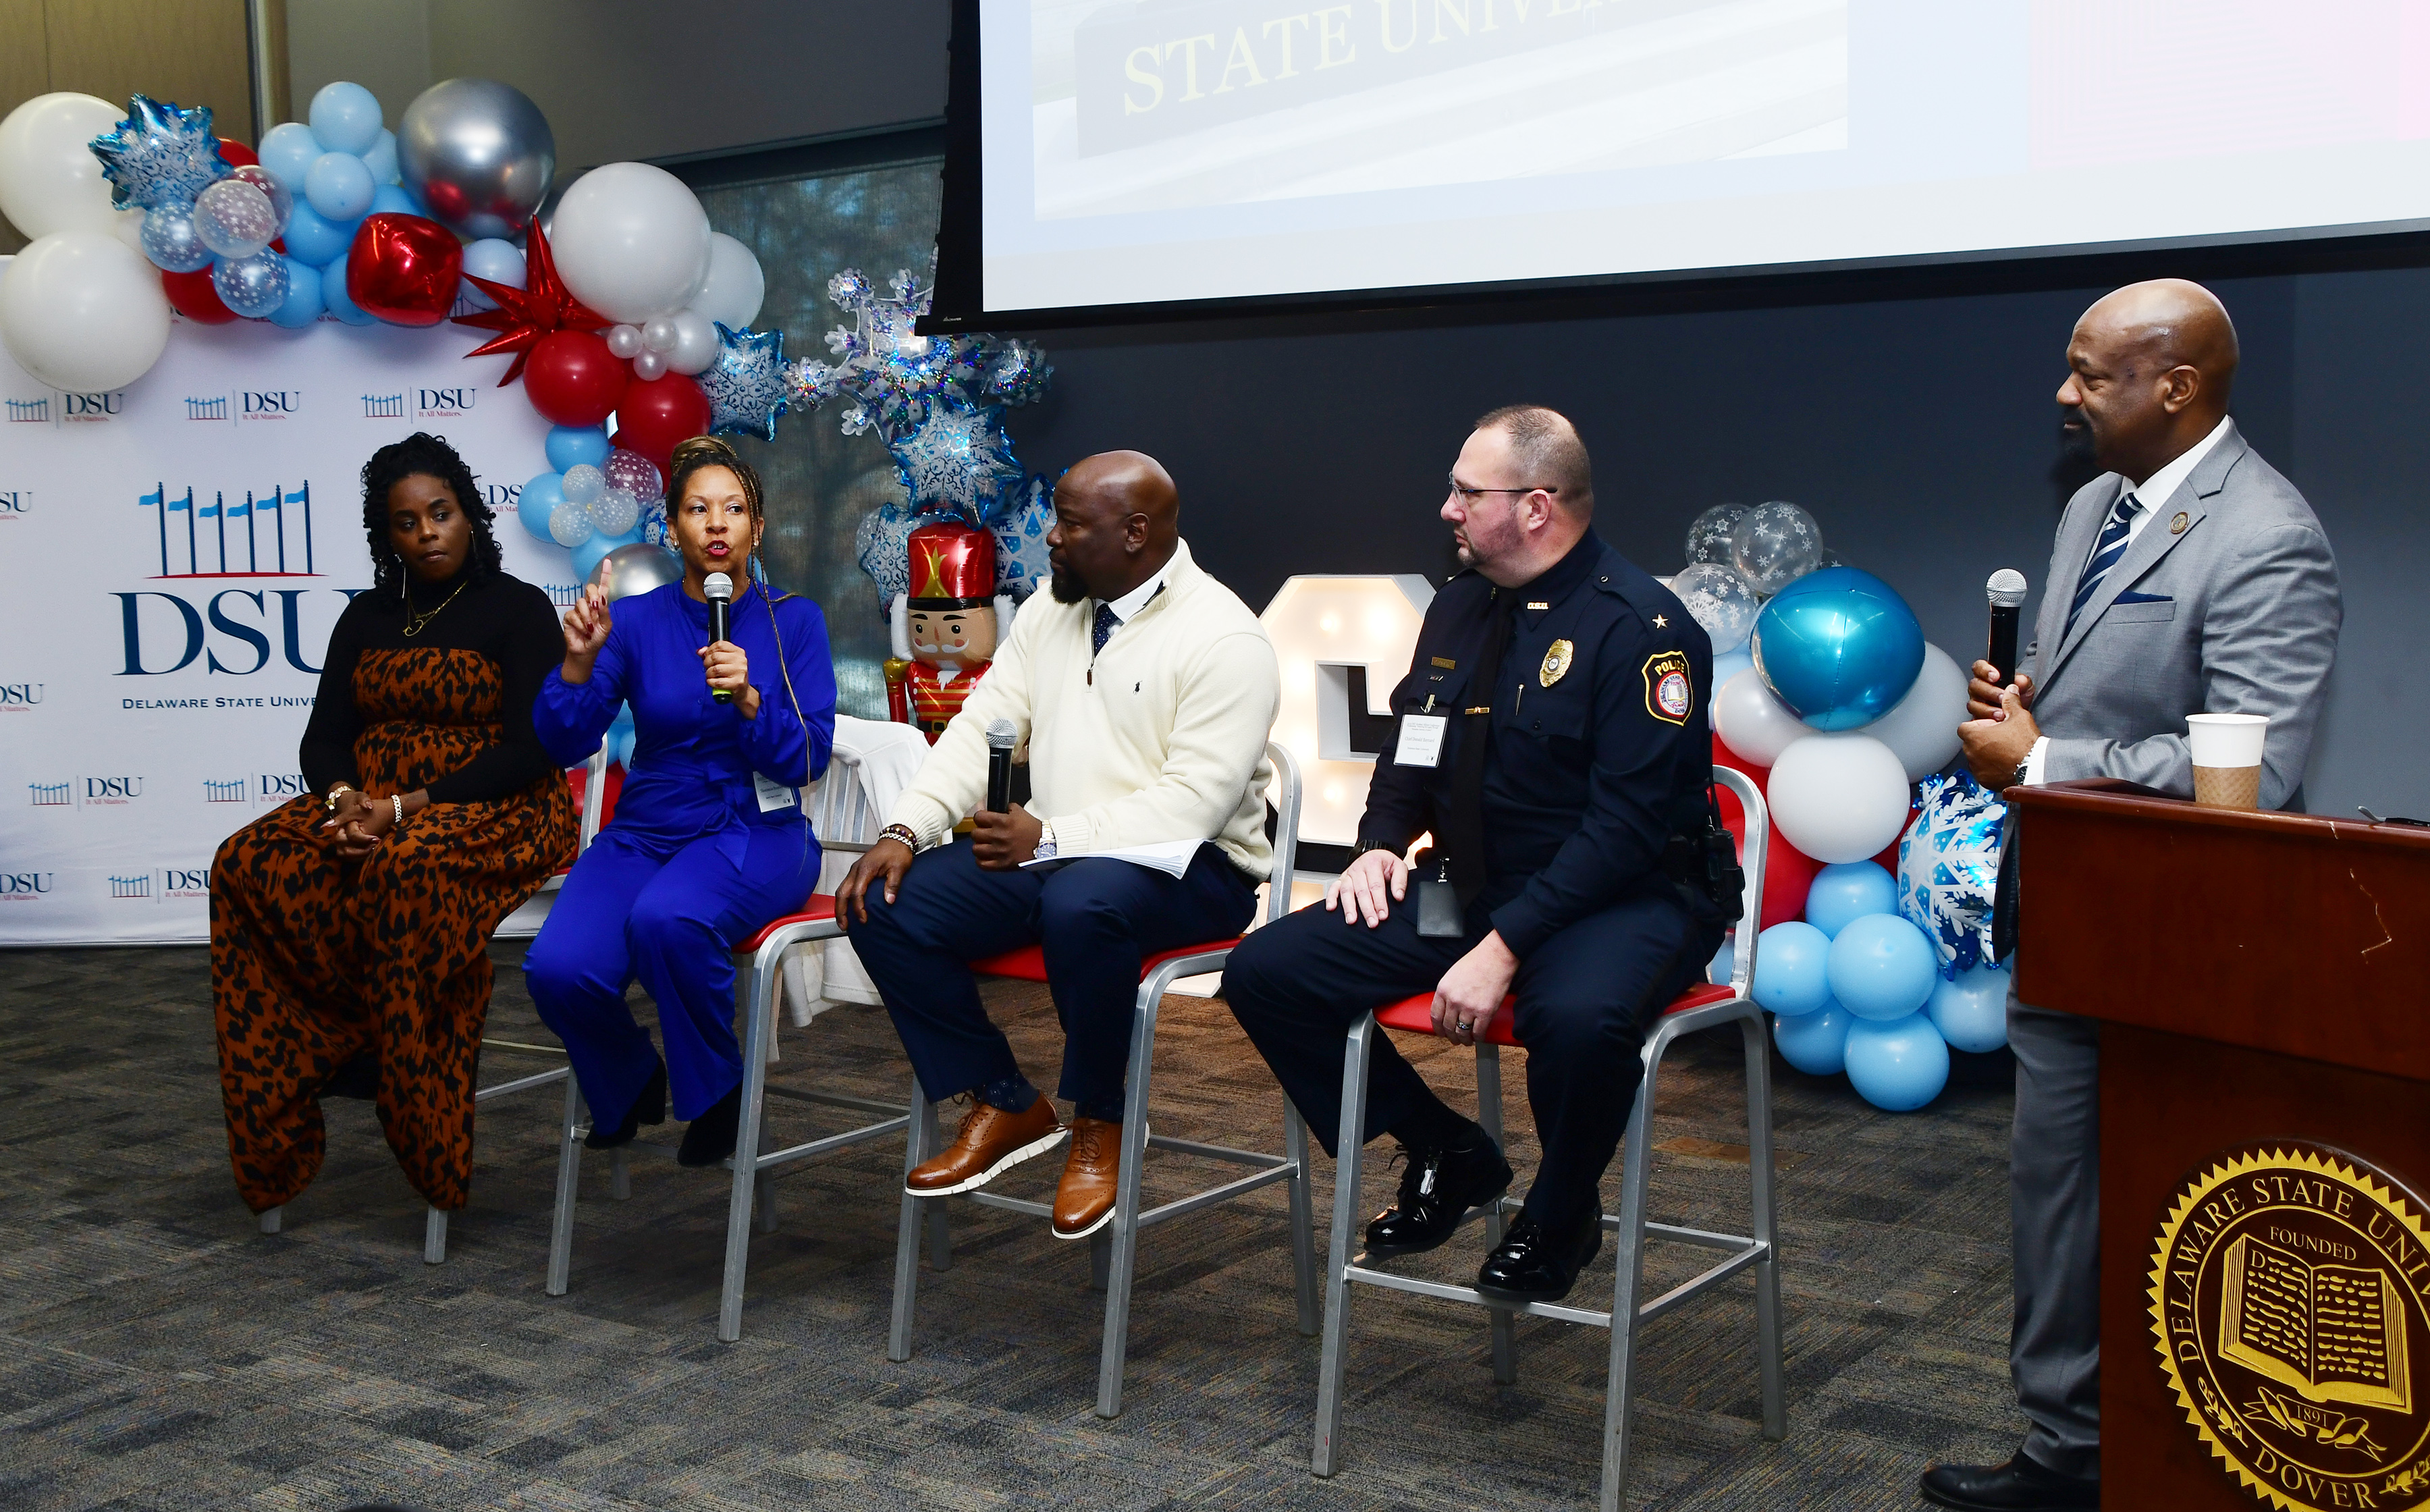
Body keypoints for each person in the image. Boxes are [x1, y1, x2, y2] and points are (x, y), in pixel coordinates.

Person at [1927, 280, 2341, 1512]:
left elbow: (2256, 774)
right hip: (2070, 909)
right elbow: (2088, 691)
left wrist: (2045, 763)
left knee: (2149, 1193)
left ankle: (2134, 1453)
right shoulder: (2099, 503)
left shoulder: (2267, 534)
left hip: (2177, 939)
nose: (2065, 393)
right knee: (2053, 1188)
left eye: (2091, 374)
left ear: (2179, 386)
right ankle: (2072, 1444)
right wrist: (2024, 721)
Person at [1222, 405, 1727, 1305]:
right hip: (1470, 881)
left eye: (1466, 491)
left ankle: (1563, 1211)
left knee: (1574, 1022)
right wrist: (1379, 845)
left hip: (1625, 896)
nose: (1447, 507)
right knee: (1271, 970)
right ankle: (1446, 1147)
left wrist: (1502, 949)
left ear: (1537, 507)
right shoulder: (1458, 605)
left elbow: (1623, 832)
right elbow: (1414, 741)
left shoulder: (1642, 631)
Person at [834, 451, 1279, 1241]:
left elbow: (1194, 805)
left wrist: (1052, 835)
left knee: (1083, 905)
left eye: (1070, 525)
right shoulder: (1050, 607)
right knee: (885, 900)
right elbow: (981, 726)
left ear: (1135, 533)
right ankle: (1003, 1097)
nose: (1051, 540)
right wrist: (908, 827)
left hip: (1198, 864)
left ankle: (1103, 1118)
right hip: (1062, 849)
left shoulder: (1226, 636)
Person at [211, 433, 577, 1216]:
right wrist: (344, 801)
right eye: (407, 523)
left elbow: (530, 747)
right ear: (388, 537)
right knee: (247, 860)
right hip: (371, 804)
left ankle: (415, 1096)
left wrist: (404, 807)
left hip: (498, 804)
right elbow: (324, 735)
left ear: (469, 516)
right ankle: (334, 1044)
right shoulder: (367, 616)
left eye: (440, 514)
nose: (428, 533)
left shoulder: (516, 609)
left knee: (405, 869)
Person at [522, 437, 836, 1168]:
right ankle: (632, 1075)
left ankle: (719, 1090)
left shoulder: (795, 621)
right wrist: (577, 660)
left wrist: (753, 698)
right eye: (699, 509)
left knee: (670, 917)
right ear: (672, 528)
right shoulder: (632, 623)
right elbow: (564, 741)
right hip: (649, 827)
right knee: (558, 968)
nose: (717, 524)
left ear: (757, 529)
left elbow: (810, 757)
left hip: (757, 828)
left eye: (735, 509)